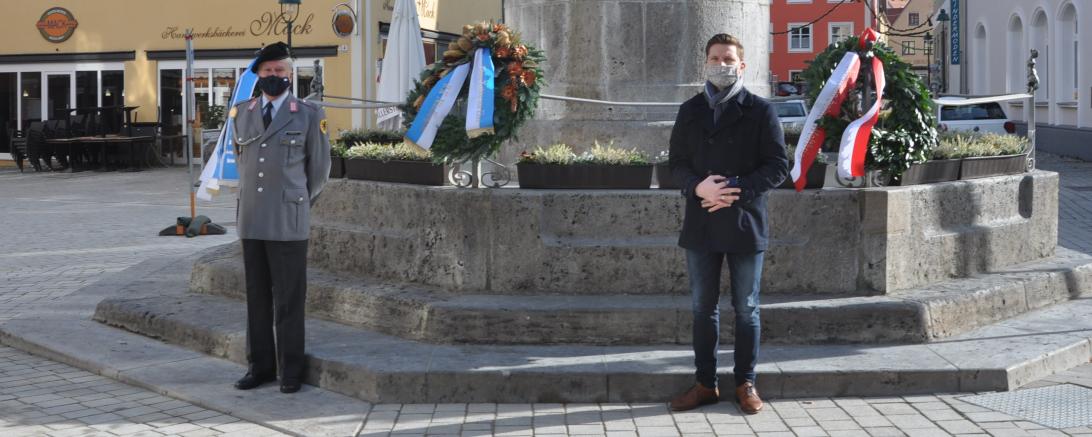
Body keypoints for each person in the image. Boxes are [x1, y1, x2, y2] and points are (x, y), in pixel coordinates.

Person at [667, 33, 789, 414]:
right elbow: (676, 163)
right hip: (701, 221)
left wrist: (736, 189)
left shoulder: (760, 110)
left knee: (747, 307)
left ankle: (745, 383)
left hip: (744, 221)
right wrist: (697, 186)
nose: (722, 64)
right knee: (703, 308)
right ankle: (705, 384)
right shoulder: (690, 110)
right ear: (705, 63)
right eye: (715, 58)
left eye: (729, 58)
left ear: (742, 65)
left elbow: (778, 166)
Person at [229, 41, 331, 394]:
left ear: (291, 74)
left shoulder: (308, 114)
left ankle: (291, 370)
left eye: (280, 71)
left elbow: (318, 171)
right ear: (258, 74)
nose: (274, 76)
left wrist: (298, 201)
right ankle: (259, 366)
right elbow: (242, 161)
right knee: (257, 297)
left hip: (288, 219)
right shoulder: (241, 112)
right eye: (268, 71)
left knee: (289, 298)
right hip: (253, 218)